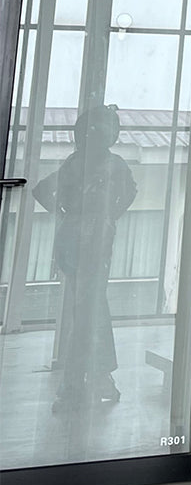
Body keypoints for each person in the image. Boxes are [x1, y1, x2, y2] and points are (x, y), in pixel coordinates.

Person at [33, 104, 137, 412]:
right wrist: (104, 215)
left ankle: (91, 378)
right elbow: (43, 191)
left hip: (83, 241)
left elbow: (43, 191)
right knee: (89, 311)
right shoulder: (99, 164)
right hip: (86, 242)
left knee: (89, 310)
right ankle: (84, 380)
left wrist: (70, 214)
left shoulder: (80, 163)